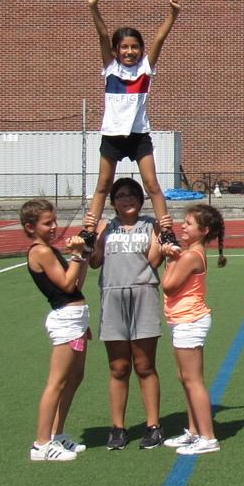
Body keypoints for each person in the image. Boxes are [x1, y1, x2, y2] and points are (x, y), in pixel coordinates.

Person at [81, 0, 181, 250]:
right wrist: (94, 7)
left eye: (135, 47)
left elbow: (160, 37)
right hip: (112, 135)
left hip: (138, 136)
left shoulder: (145, 69)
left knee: (152, 184)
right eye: (124, 47)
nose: (130, 51)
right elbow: (102, 35)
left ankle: (167, 231)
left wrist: (173, 14)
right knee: (103, 184)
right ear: (115, 51)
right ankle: (89, 231)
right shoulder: (111, 69)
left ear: (141, 50)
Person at [85, 177, 169, 450]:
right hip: (112, 296)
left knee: (144, 366)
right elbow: (95, 261)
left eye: (133, 195)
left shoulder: (150, 225)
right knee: (119, 367)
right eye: (120, 196)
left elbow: (155, 261)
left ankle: (153, 425)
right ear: (112, 202)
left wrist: (162, 233)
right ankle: (118, 428)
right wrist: (89, 234)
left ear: (141, 200)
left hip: (143, 293)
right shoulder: (104, 227)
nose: (127, 199)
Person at [24, 199, 90, 461]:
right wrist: (75, 254)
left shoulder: (50, 250)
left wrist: (82, 254)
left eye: (54, 221)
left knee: (75, 377)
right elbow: (64, 284)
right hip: (65, 319)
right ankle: (41, 445)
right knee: (57, 382)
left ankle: (57, 435)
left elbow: (76, 282)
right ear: (30, 227)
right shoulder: (40, 252)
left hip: (76, 319)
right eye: (47, 223)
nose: (54, 226)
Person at [159, 204, 226, 455]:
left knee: (193, 380)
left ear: (204, 230)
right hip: (182, 319)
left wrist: (169, 260)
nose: (183, 227)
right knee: (185, 377)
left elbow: (168, 286)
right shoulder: (190, 253)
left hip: (190, 320)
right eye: (184, 222)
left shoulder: (189, 256)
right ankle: (194, 431)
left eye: (189, 224)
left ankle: (208, 438)